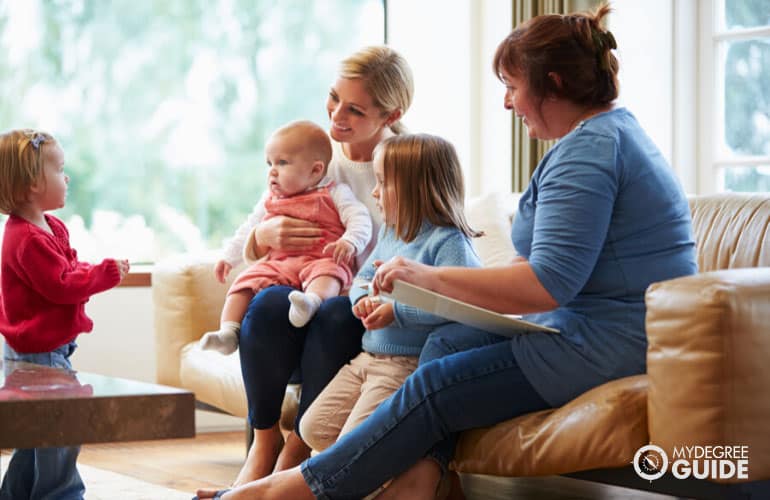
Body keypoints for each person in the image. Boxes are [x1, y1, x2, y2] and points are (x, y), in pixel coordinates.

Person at [194, 4, 698, 500]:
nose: (507, 103)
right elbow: (539, 268)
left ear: (555, 86)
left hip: (602, 344)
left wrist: (429, 280)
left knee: (434, 385)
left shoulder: (588, 154)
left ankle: (290, 491)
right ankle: (420, 481)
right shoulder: (594, 140)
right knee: (447, 343)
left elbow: (547, 284)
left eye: (512, 86)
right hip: (578, 327)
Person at [227, 45, 415, 487]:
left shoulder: (406, 162)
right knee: (270, 303)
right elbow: (265, 212)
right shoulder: (316, 150)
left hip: (360, 303)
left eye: (354, 109)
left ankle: (298, 447)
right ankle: (264, 438)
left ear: (390, 114)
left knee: (335, 314)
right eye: (334, 97)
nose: (337, 116)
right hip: (298, 286)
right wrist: (261, 238)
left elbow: (419, 245)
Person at [298, 134, 481, 455]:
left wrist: (396, 312)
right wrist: (361, 300)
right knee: (312, 429)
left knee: (351, 447)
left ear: (417, 188)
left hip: (404, 366)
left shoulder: (449, 242)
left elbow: (460, 308)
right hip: (367, 358)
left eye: (382, 182)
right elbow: (362, 280)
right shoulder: (391, 232)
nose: (373, 191)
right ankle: (381, 471)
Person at [0, 129, 129, 500]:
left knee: (36, 432)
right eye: (58, 169)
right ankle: (60, 494)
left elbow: (68, 266)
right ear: (28, 187)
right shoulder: (25, 238)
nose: (67, 177)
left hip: (46, 348)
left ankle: (15, 494)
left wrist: (93, 270)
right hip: (36, 353)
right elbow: (60, 284)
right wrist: (102, 274)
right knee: (60, 429)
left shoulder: (52, 226)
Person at [199, 120, 372, 354]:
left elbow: (360, 219)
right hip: (280, 263)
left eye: (282, 163)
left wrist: (350, 241)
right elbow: (249, 226)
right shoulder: (270, 197)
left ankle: (311, 302)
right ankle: (229, 332)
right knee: (246, 282)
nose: (272, 171)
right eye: (269, 163)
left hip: (320, 258)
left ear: (316, 170)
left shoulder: (335, 192)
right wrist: (229, 257)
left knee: (331, 274)